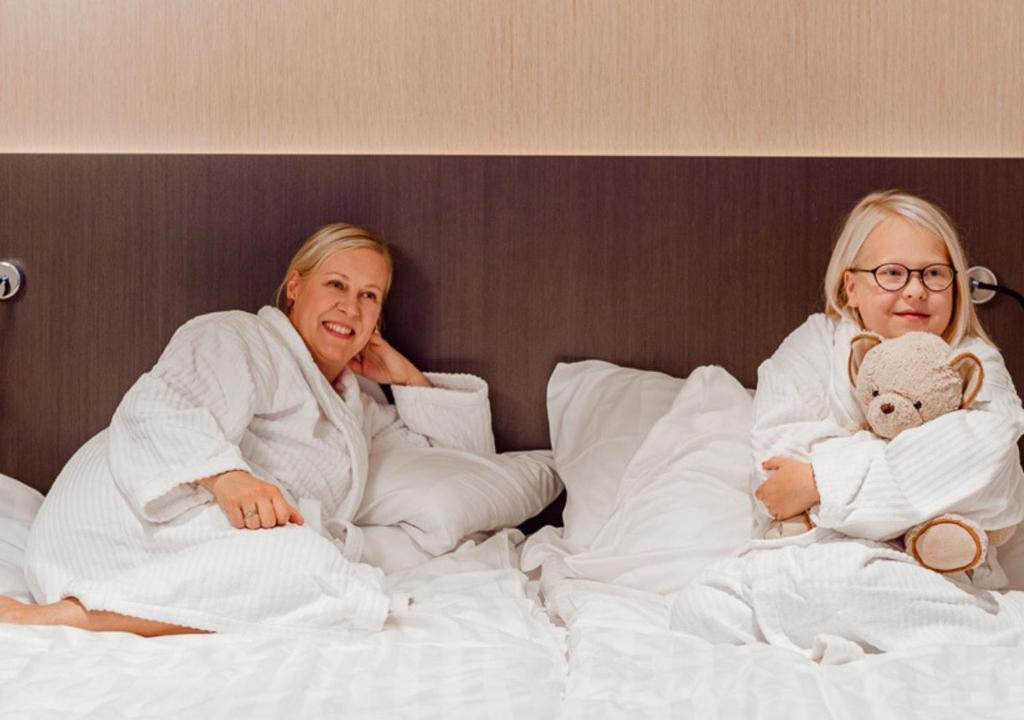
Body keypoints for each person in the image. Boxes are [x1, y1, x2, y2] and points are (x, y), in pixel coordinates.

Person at [0, 223, 494, 637]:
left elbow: (465, 470)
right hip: (120, 514)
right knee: (314, 568)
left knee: (312, 564)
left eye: (369, 296)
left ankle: (87, 613)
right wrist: (227, 477)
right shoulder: (239, 337)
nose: (351, 307)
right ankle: (62, 616)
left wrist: (405, 378)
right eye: (336, 285)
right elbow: (162, 406)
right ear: (295, 287)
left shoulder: (354, 409)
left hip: (202, 541)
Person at [671, 190, 1024, 657]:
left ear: (956, 287)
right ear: (850, 287)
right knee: (698, 605)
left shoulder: (973, 361)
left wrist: (822, 480)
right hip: (808, 556)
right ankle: (862, 633)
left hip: (929, 574)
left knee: (851, 580)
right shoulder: (814, 346)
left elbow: (988, 471)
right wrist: (914, 473)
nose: (916, 290)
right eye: (892, 273)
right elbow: (778, 481)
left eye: (934, 274)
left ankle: (890, 629)